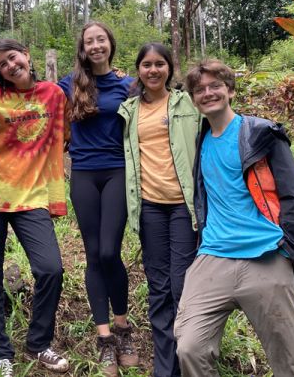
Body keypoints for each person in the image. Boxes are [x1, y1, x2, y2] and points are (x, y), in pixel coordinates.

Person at [174, 59, 294, 377]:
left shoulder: (261, 133)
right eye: (200, 89)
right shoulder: (199, 141)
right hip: (214, 255)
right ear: (193, 98)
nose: (208, 93)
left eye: (215, 86)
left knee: (292, 359)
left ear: (230, 89)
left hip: (265, 253)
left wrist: (286, 248)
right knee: (189, 348)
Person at [0, 39, 69, 377]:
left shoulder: (54, 94)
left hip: (32, 197)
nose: (10, 66)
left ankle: (39, 342)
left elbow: (76, 114)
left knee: (51, 269)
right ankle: (0, 351)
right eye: (2, 64)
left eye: (13, 57)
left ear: (27, 55)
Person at [57, 21, 139, 377]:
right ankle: (104, 336)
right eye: (89, 41)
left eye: (101, 39)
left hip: (118, 172)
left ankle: (123, 327)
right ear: (83, 47)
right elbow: (31, 91)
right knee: (93, 253)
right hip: (84, 174)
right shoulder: (69, 84)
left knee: (110, 251)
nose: (95, 46)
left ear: (110, 44)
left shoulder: (127, 86)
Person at [118, 43, 199, 377]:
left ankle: (187, 360)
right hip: (150, 207)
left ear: (169, 68)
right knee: (159, 288)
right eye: (147, 65)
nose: (153, 70)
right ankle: (165, 368)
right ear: (138, 69)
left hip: (183, 207)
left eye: (159, 64)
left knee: (182, 286)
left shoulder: (187, 103)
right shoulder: (129, 110)